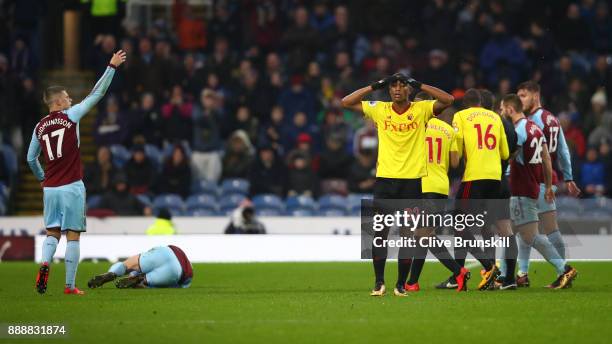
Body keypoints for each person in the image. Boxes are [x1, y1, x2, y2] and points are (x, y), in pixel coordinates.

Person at [341, 72, 454, 296]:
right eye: (393, 86)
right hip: (385, 181)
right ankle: (379, 282)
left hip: (412, 183)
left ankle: (401, 284)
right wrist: (375, 86)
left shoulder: (421, 110)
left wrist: (420, 83)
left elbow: (449, 100)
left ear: (409, 89)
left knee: (407, 235)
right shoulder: (380, 109)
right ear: (389, 90)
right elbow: (346, 102)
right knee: (379, 233)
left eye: (403, 85)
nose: (398, 89)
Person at [27, 50, 126, 295]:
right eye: (68, 98)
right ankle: (69, 286)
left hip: (50, 187)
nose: (71, 100)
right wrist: (111, 67)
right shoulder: (71, 116)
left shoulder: (39, 127)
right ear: (58, 102)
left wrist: (42, 178)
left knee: (52, 232)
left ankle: (46, 264)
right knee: (73, 236)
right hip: (71, 185)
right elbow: (98, 93)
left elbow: (30, 158)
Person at [499, 94, 577, 289]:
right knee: (510, 231)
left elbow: (509, 158)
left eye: (502, 109)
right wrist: (549, 185)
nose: (501, 113)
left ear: (510, 109)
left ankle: (563, 268)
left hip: (520, 189)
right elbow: (547, 158)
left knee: (530, 236)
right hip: (533, 186)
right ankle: (506, 275)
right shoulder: (535, 128)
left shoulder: (519, 132)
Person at [439, 88, 509, 291]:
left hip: (474, 177)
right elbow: (504, 152)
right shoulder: (495, 117)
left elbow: (456, 154)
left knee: (459, 225)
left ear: (464, 104)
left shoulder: (461, 116)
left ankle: (486, 268)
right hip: (495, 178)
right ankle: (475, 276)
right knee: (487, 228)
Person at [406, 94, 469, 292]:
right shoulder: (448, 130)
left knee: (423, 235)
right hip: (441, 186)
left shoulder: (415, 127)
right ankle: (412, 282)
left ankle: (458, 271)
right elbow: (455, 163)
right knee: (423, 234)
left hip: (423, 185)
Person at [87, 245, 192, 289]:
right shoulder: (190, 273)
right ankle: (140, 279)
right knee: (146, 281)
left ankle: (112, 273)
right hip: (176, 271)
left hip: (165, 252)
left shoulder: (171, 250)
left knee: (127, 265)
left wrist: (132, 273)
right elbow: (177, 286)